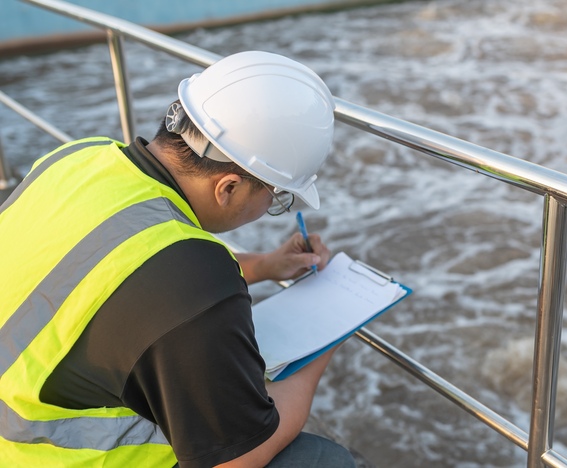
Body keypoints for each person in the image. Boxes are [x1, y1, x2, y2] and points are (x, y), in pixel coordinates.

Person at [0, 51, 356, 467]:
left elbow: (110, 265)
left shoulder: (81, 157)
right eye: (274, 197)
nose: (270, 206)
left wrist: (264, 265)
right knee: (320, 459)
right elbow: (236, 458)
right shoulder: (195, 276)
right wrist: (328, 335)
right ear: (228, 187)